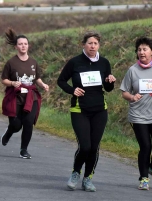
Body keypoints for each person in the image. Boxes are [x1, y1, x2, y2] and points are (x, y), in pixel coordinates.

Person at [57, 31, 116, 192]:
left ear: (99, 45)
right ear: (84, 44)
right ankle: (76, 172)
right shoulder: (75, 62)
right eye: (89, 43)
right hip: (79, 109)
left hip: (99, 110)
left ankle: (88, 178)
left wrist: (111, 82)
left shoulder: (104, 63)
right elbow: (61, 81)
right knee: (85, 146)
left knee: (94, 147)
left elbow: (108, 88)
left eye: (95, 43)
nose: (92, 46)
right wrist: (72, 90)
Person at [119, 36, 152, 190]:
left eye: (144, 49)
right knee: (145, 147)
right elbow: (124, 92)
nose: (141, 52)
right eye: (139, 50)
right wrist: (132, 96)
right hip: (138, 115)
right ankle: (144, 178)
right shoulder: (132, 70)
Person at [0, 28, 49, 159]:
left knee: (28, 123)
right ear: (16, 46)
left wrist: (43, 84)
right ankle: (9, 132)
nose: (23, 46)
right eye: (20, 44)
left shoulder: (33, 62)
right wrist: (12, 83)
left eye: (25, 44)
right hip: (15, 97)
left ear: (28, 45)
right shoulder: (11, 62)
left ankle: (24, 149)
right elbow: (4, 79)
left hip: (30, 97)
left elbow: (36, 78)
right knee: (16, 125)